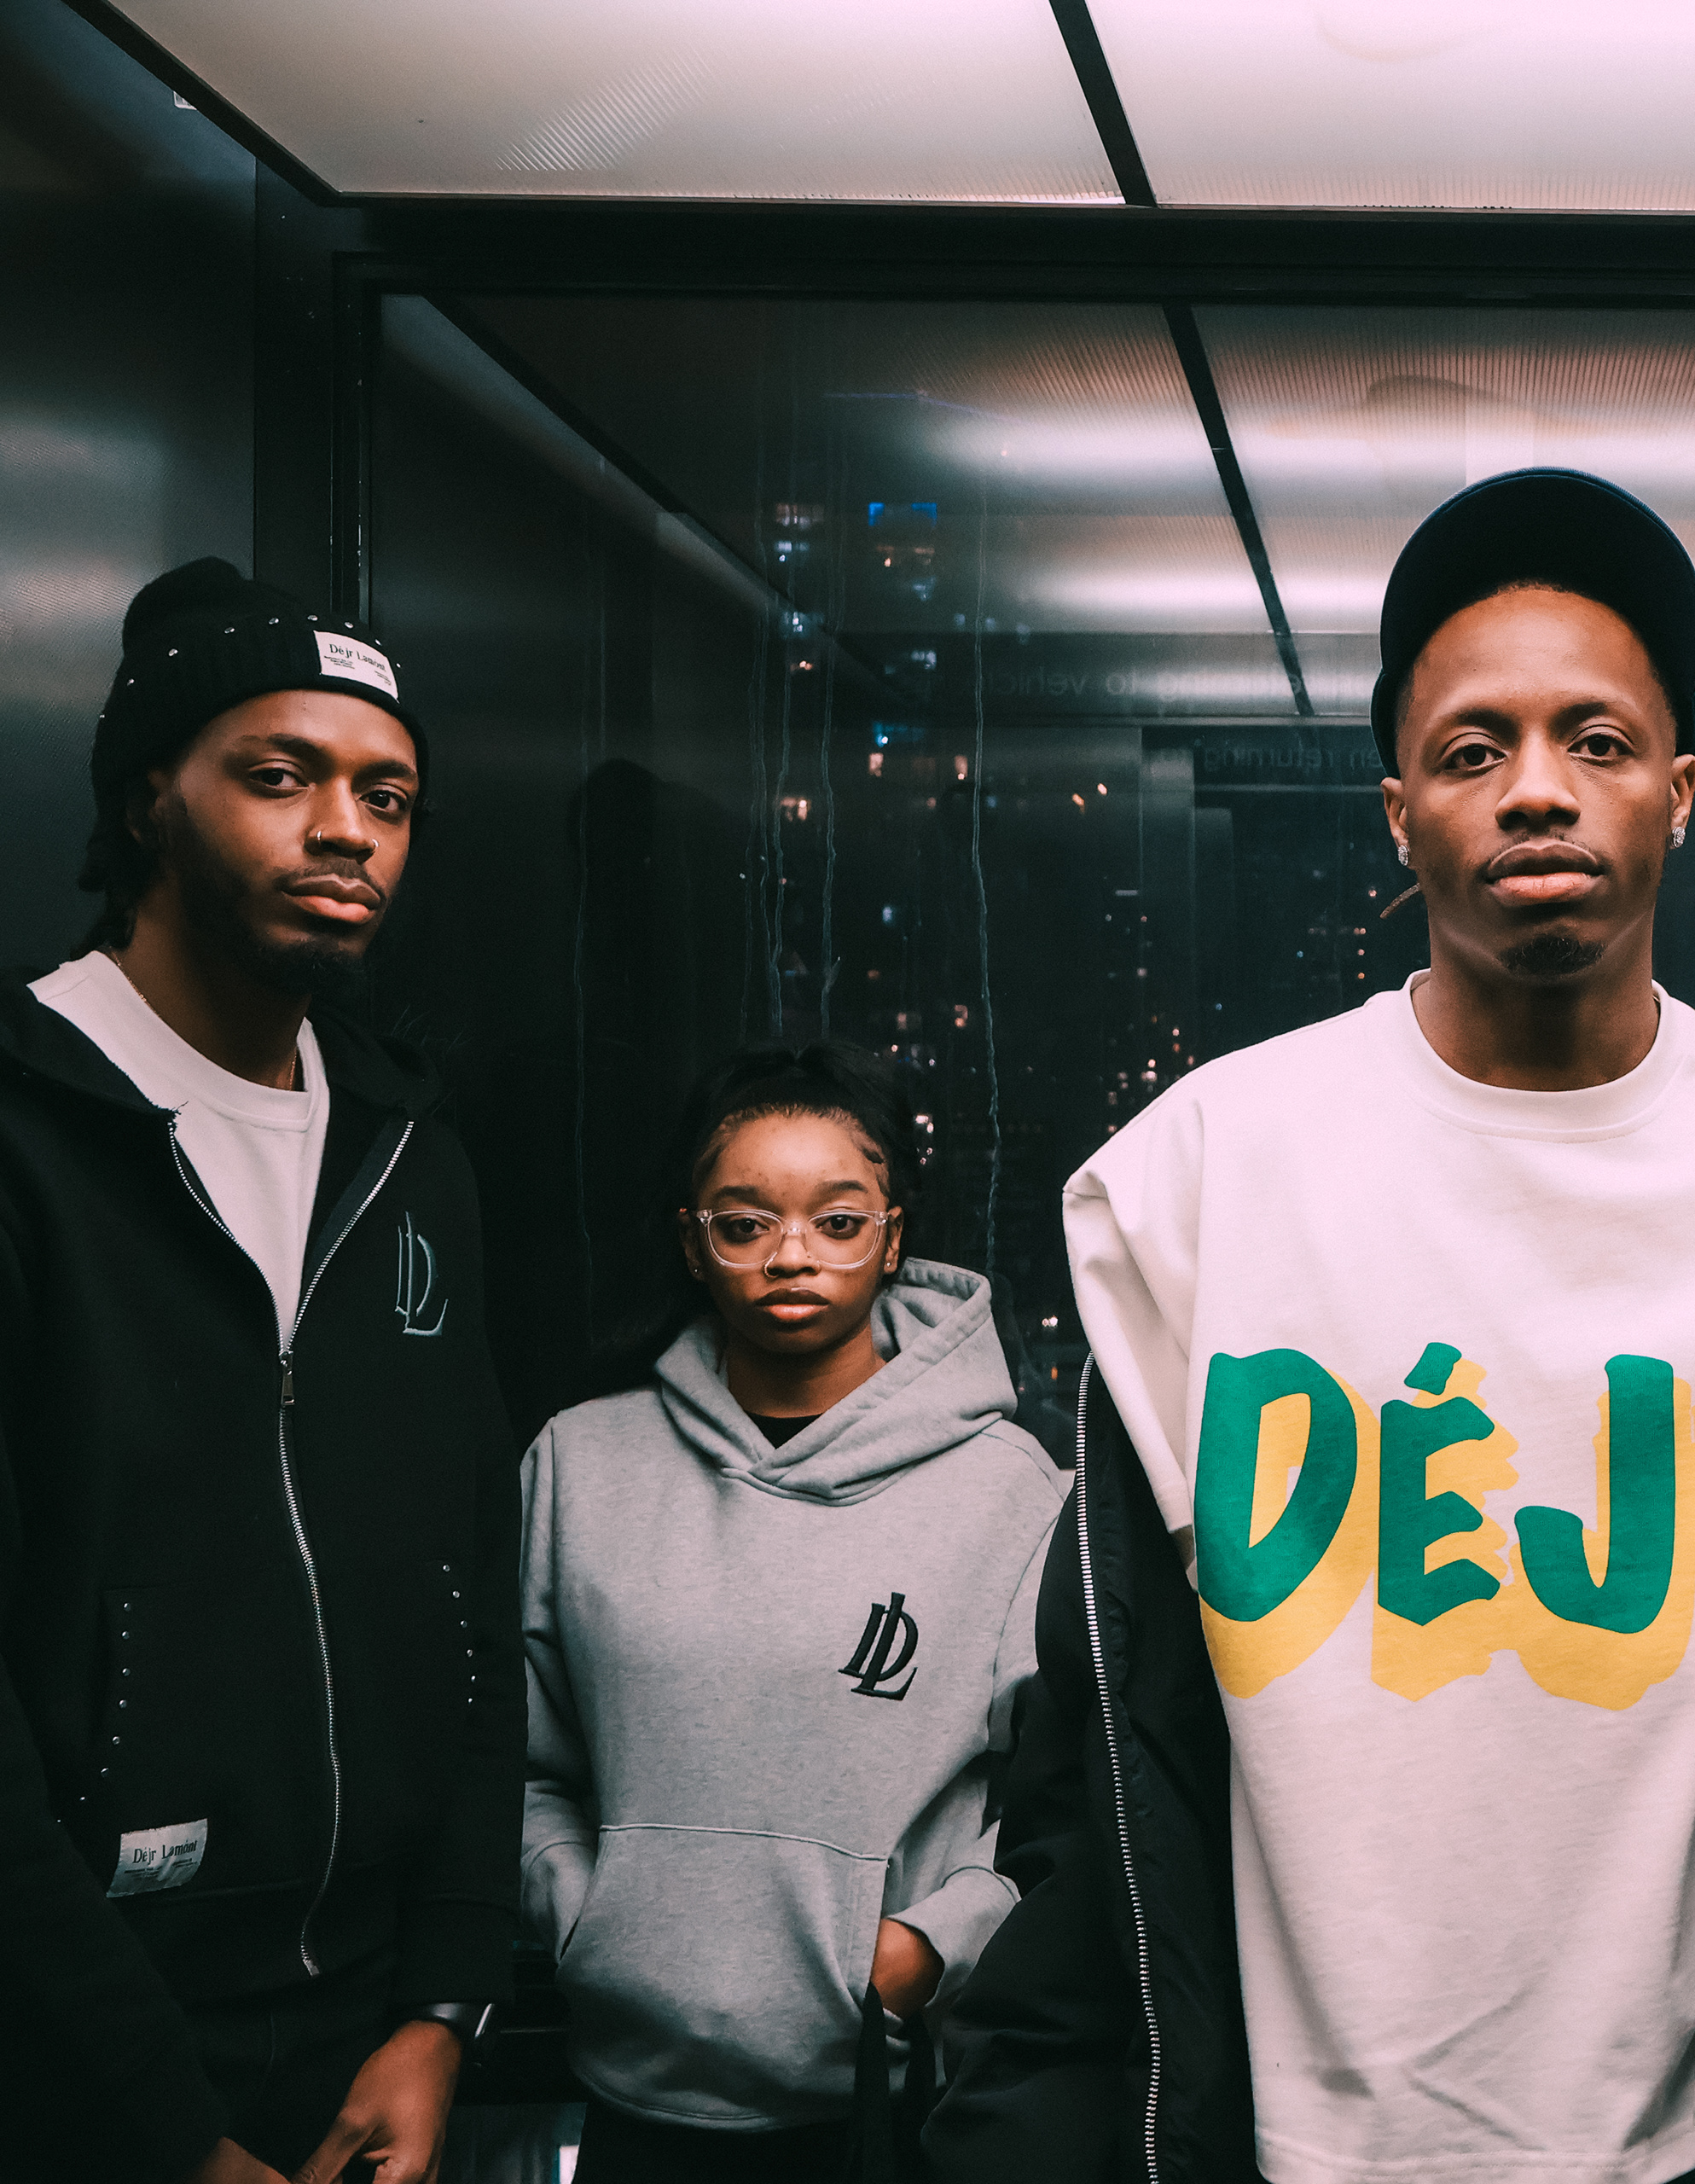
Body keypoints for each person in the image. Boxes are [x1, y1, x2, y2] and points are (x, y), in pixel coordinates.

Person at [926, 468, 1695, 2184]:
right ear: (1398, 811)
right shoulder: (1205, 1175)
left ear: (1680, 792)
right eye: (1474, 749)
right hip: (1306, 2141)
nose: (1539, 787)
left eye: (1598, 741)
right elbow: (1103, 1763)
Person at [0, 559, 520, 2183]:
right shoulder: (24, 1133)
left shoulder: (408, 1149)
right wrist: (160, 2125)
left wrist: (443, 2004)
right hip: (79, 2045)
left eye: (388, 795)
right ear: (149, 798)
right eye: (280, 777)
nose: (346, 832)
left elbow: (471, 1589)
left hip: (370, 2038)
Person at [520, 1042, 1067, 2182]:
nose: (791, 1255)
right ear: (693, 1242)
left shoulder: (1011, 1490)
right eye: (744, 1223)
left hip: (888, 2101)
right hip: (629, 2092)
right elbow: (515, 1759)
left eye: (838, 1220)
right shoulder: (579, 1463)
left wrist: (927, 1950)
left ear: (894, 1237)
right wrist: (588, 1921)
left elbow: (1058, 1798)